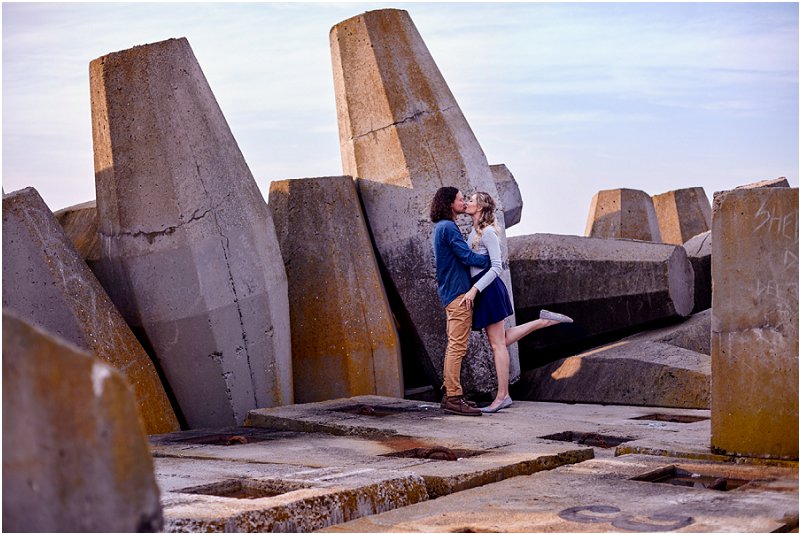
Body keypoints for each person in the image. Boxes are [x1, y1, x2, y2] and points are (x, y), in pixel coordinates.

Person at [460, 191, 573, 413]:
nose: (467, 203)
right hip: (484, 289)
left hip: (488, 289)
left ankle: (502, 396)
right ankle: (543, 322)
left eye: (471, 200)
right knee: (501, 339)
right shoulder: (474, 231)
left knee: (497, 344)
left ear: (480, 207)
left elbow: (497, 266)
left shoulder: (489, 233)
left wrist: (475, 289)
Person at [430, 186, 491, 416]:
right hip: (458, 295)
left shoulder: (441, 228)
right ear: (449, 203)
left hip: (451, 294)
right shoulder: (448, 227)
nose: (463, 201)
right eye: (459, 198)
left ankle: (450, 396)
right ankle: (454, 397)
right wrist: (489, 259)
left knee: (453, 346)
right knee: (457, 347)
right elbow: (465, 256)